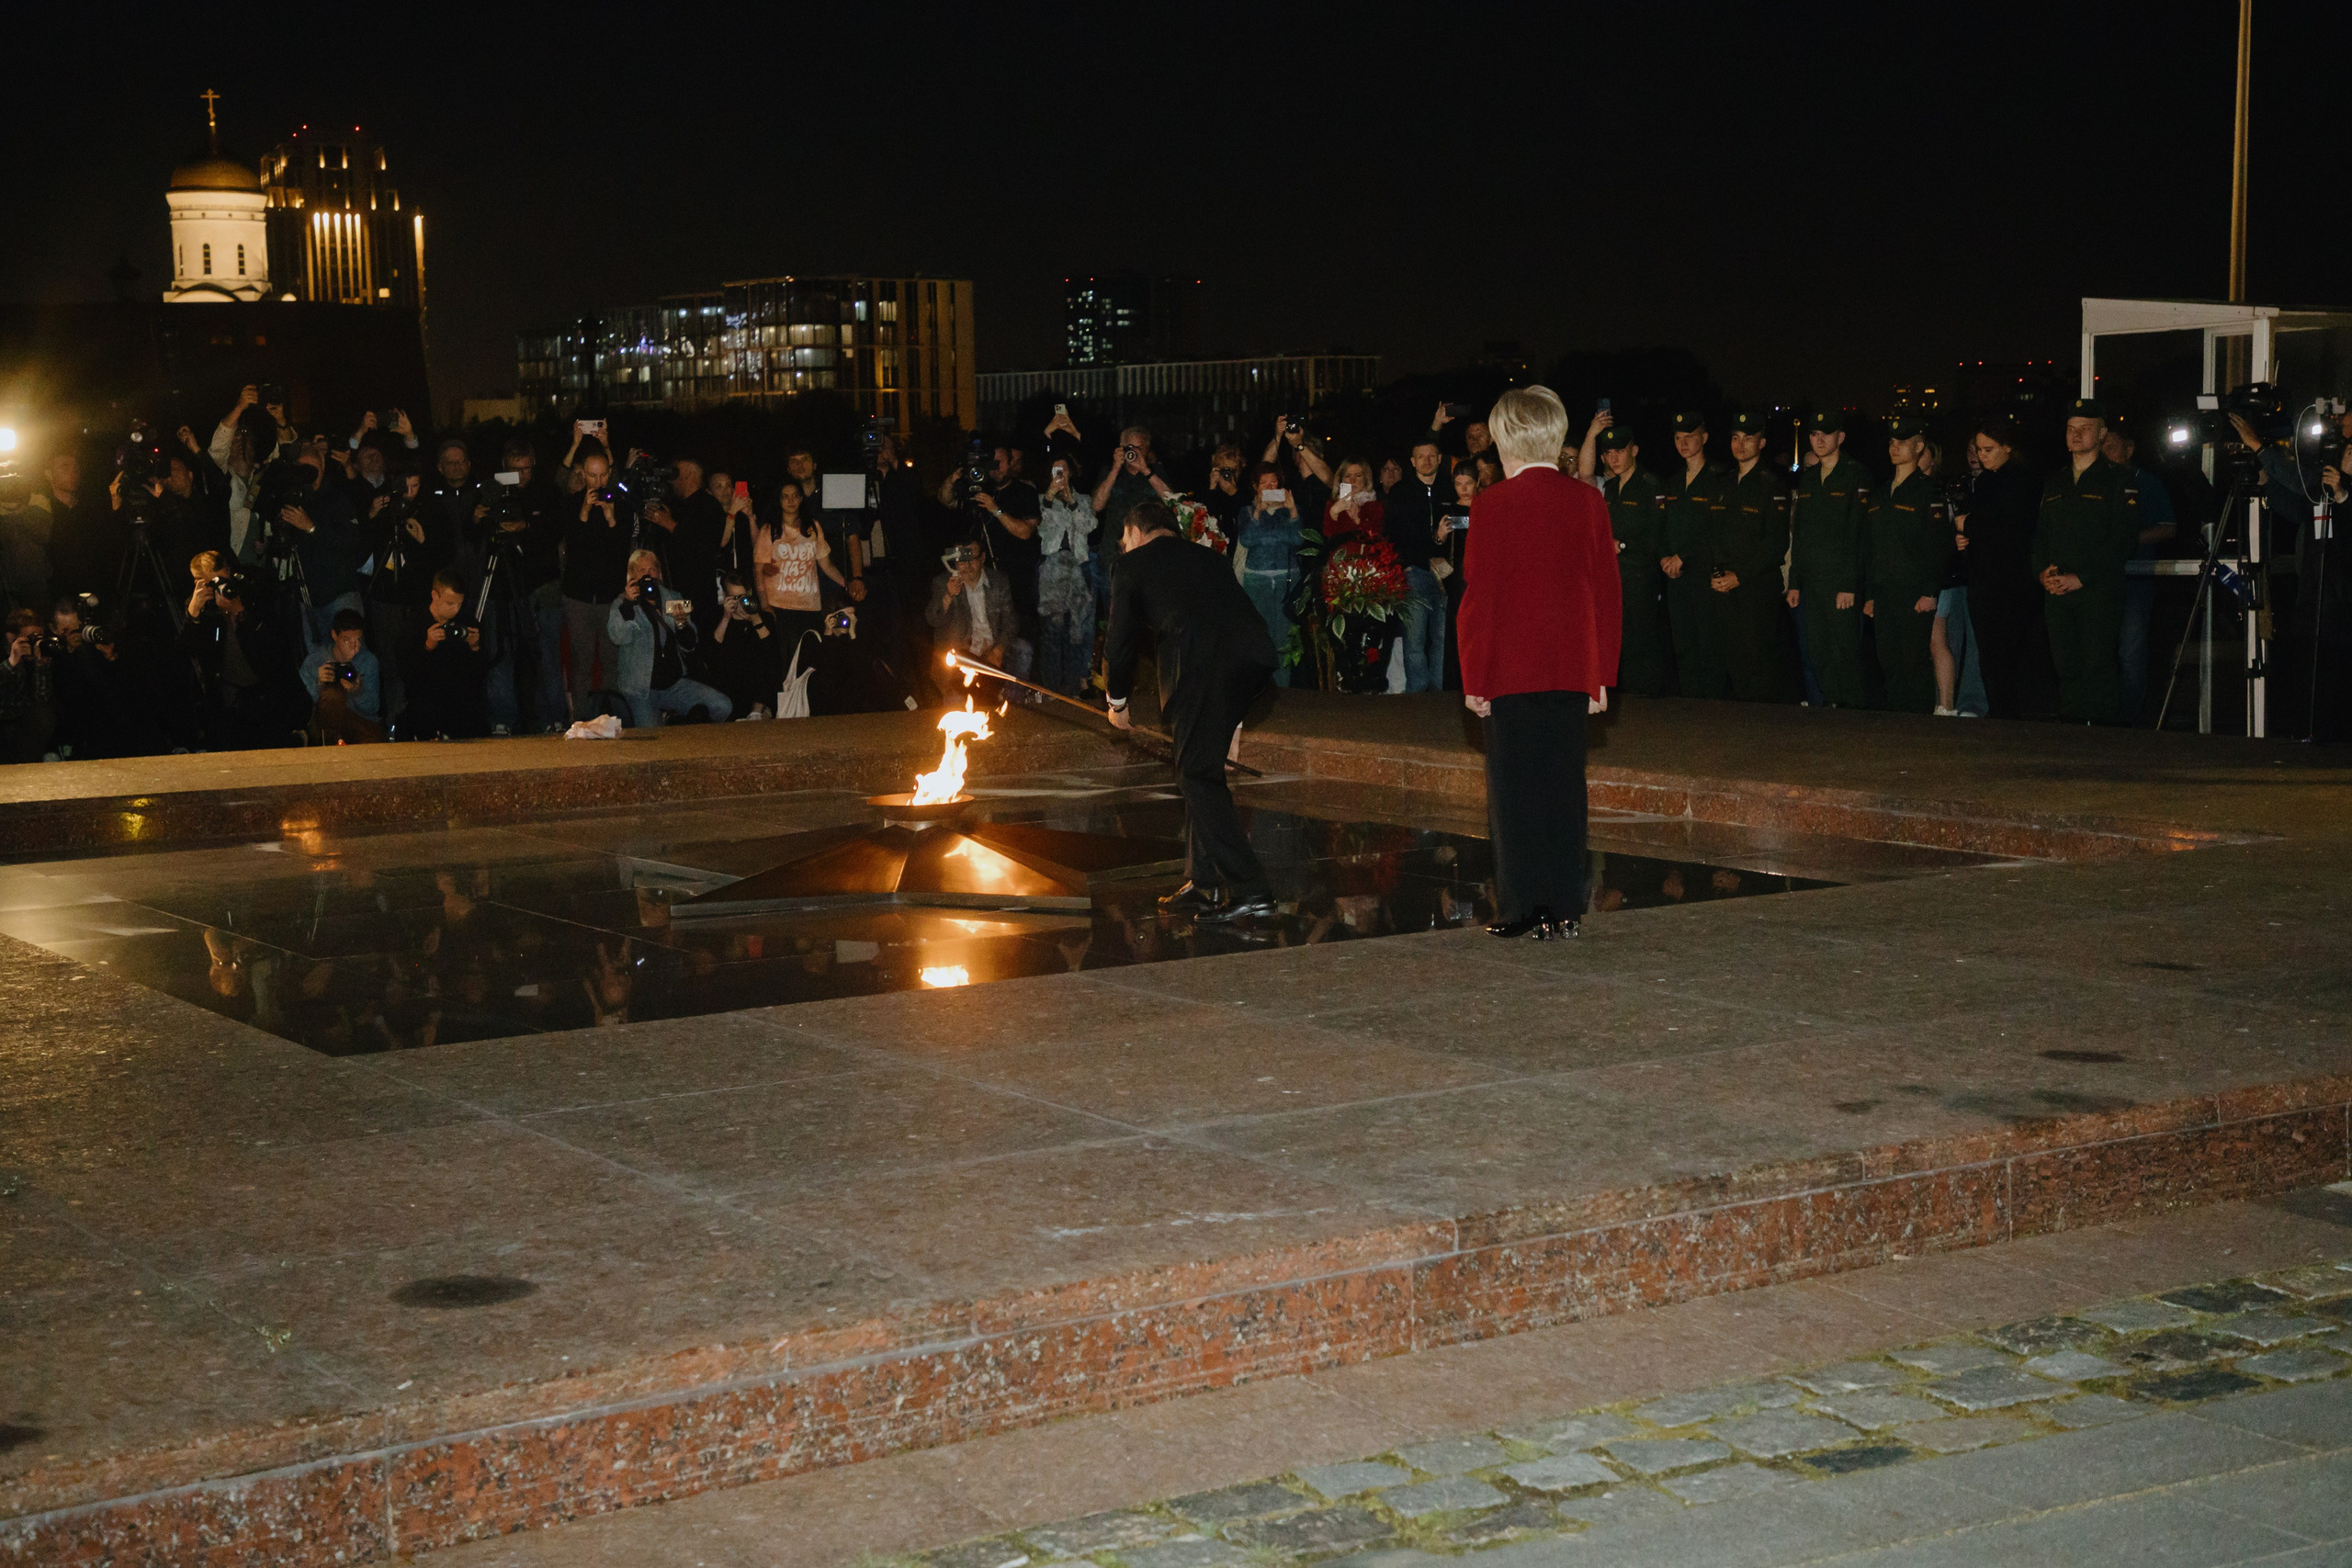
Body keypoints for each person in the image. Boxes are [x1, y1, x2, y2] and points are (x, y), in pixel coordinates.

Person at [1456, 386, 1620, 941]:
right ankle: (1565, 905)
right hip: (1572, 667)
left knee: (1514, 791)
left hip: (1510, 669)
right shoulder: (1588, 501)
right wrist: (1602, 675)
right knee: (1564, 787)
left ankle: (1523, 906)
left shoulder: (1491, 505)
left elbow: (1480, 597)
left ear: (1506, 441)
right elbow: (1606, 591)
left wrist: (1474, 677)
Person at [1103, 499, 1278, 922]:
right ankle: (1202, 881)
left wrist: (1117, 700)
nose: (1123, 546)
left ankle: (1251, 890)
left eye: (1124, 538)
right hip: (1254, 661)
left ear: (1136, 530)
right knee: (1202, 768)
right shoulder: (1207, 556)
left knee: (1196, 774)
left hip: (1204, 667)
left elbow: (1119, 642)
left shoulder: (1132, 565)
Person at [2034, 397, 2140, 725]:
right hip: (2057, 590)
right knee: (2066, 665)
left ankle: (2100, 737)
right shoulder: (2055, 481)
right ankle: (2072, 733)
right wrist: (2042, 572)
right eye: (2070, 429)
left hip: (2098, 591)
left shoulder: (2119, 480)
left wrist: (2083, 578)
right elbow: (2041, 534)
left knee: (2097, 666)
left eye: (2085, 429)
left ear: (2103, 433)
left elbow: (2123, 542)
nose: (2076, 435)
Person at [1863, 417, 1950, 714]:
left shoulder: (1928, 492)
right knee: (1889, 662)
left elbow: (1938, 547)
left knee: (1914, 664)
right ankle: (1897, 725)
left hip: (1914, 594)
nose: (1894, 447)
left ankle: (1918, 727)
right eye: (1891, 442)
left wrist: (1929, 591)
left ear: (1918, 447)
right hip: (1885, 593)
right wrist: (1870, 593)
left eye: (1902, 442)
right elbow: (1871, 548)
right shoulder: (1880, 493)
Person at [1788, 410, 1873, 707]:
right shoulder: (1809, 479)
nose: (1819, 439)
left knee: (1845, 654)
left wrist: (1850, 584)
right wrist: (1795, 582)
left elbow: (1859, 535)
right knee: (1818, 651)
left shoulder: (1855, 475)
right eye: (1814, 434)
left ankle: (1854, 716)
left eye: (1826, 433)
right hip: (1812, 583)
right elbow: (1800, 535)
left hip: (1841, 584)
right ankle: (1834, 712)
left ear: (1841, 437)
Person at [1958, 418, 2041, 719]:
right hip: (1983, 580)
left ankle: (2012, 716)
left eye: (1989, 449)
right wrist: (1965, 537)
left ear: (2007, 447)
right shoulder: (1985, 481)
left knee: (2008, 654)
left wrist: (1968, 524)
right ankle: (1999, 713)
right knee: (1990, 656)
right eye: (1978, 449)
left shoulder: (2021, 478)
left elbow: (2007, 525)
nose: (1982, 455)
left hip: (2011, 582)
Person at [1712, 411, 1795, 702]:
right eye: (1735, 438)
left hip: (1756, 587)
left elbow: (1775, 543)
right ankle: (1743, 729)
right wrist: (1718, 573)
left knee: (1760, 662)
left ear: (1761, 443)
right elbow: (1714, 534)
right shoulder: (1724, 482)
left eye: (1748, 438)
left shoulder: (1772, 484)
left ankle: (1765, 731)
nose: (1740, 444)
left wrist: (1740, 576)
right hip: (1725, 587)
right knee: (1735, 661)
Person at [181, 552, 296, 751]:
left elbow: (276, 645)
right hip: (229, 701)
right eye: (210, 582)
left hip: (264, 697)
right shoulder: (200, 607)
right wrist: (192, 616)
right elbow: (186, 652)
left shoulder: (251, 593)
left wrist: (239, 611)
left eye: (220, 578)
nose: (219, 586)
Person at [2102, 422, 2177, 724]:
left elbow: (2168, 528)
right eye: (2102, 445)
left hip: (2134, 580)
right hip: (2100, 580)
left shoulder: (2146, 483)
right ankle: (2102, 717)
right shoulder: (2093, 483)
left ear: (2129, 449)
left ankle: (2128, 720)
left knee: (2131, 653)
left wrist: (2132, 540)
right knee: (2102, 653)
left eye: (2111, 446)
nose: (2105, 452)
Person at [1589, 417, 1669, 697]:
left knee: (1642, 640)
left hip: (1640, 574)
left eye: (1620, 452)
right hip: (1614, 575)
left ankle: (1646, 698)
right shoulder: (1610, 489)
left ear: (1634, 451)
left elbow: (1656, 536)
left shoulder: (1650, 485)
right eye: (1609, 453)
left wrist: (1621, 546)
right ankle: (1624, 696)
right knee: (1617, 638)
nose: (1614, 458)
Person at [606, 549, 731, 728]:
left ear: (659, 573)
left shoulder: (673, 598)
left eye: (652, 569)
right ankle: (671, 722)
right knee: (652, 738)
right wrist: (629, 605)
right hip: (640, 689)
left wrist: (681, 625)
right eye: (642, 571)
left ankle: (679, 725)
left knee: (722, 706)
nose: (648, 574)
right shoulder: (622, 602)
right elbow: (617, 636)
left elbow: (690, 645)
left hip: (673, 685)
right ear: (632, 575)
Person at [1657, 411, 1732, 699]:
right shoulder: (1673, 482)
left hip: (1704, 572)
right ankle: (1690, 705)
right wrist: (1665, 557)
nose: (1683, 443)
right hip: (1676, 575)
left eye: (1690, 436)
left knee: (1708, 642)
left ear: (1705, 437)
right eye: (1678, 437)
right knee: (1683, 643)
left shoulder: (1719, 477)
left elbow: (1713, 528)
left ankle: (1712, 706)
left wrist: (1683, 555)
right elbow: (1663, 526)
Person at [560, 446, 630, 714]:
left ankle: (612, 716)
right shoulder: (571, 503)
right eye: (592, 476)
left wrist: (611, 518)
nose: (597, 482)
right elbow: (573, 544)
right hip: (578, 597)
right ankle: (581, 718)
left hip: (610, 596)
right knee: (582, 662)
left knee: (613, 660)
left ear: (609, 474)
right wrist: (585, 511)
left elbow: (622, 549)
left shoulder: (621, 505)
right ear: (583, 474)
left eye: (602, 476)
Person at [1383, 438, 1452, 693]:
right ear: (1412, 462)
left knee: (1442, 640)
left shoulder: (1450, 489)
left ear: (1440, 458)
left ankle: (1439, 697)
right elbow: (1396, 535)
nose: (1427, 461)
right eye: (1421, 456)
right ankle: (1417, 697)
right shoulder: (1401, 493)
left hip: (1446, 575)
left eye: (1432, 455)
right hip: (1415, 574)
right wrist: (1417, 561)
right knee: (1414, 641)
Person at [753, 480, 849, 651]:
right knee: (786, 655)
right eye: (785, 497)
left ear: (801, 499)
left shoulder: (813, 527)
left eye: (795, 496)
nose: (790, 501)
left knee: (810, 655)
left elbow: (826, 564)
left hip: (809, 604)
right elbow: (759, 569)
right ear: (779, 500)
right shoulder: (770, 529)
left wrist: (848, 584)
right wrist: (765, 605)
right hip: (780, 604)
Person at [1235, 463, 1304, 686]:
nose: (1269, 486)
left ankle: (1283, 688)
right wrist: (1258, 512)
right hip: (1257, 580)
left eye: (1274, 482)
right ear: (1255, 487)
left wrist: (1293, 512)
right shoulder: (1246, 511)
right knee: (1260, 636)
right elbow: (1247, 540)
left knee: (1284, 638)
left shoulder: (1288, 512)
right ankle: (1260, 687)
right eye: (1264, 483)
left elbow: (1298, 541)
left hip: (1286, 580)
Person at [1035, 456, 1099, 698]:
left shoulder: (1082, 499)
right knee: (1052, 629)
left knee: (1078, 627)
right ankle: (1051, 688)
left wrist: (1071, 501)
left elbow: (1089, 525)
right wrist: (1050, 497)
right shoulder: (1042, 499)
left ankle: (1074, 686)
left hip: (1079, 565)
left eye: (1064, 468)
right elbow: (1041, 527)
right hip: (1051, 567)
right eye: (1055, 468)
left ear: (1070, 472)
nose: (1060, 473)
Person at [401, 570, 490, 739]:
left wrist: (475, 647)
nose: (455, 609)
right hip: (428, 702)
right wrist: (427, 646)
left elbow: (482, 671)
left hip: (461, 703)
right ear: (435, 595)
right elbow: (406, 672)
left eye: (459, 603)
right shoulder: (414, 623)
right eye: (450, 603)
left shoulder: (468, 623)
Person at [927, 542, 1027, 677]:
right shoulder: (943, 582)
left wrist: (999, 649)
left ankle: (1013, 697)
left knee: (1023, 649)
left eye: (972, 558)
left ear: (982, 558)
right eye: (961, 560)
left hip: (992, 646)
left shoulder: (998, 581)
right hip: (962, 653)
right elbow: (933, 620)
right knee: (954, 690)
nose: (967, 565)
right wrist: (948, 596)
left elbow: (1011, 621)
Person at [701, 571, 781, 720]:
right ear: (725, 597)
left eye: (743, 596)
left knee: (765, 664)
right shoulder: (716, 618)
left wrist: (755, 619)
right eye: (735, 598)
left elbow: (772, 653)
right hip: (730, 685)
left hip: (758, 689)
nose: (740, 602)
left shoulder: (764, 618)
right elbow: (712, 654)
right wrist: (726, 618)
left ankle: (758, 711)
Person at [306, 606, 384, 744]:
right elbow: (300, 703)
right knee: (331, 695)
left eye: (358, 640)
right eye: (347, 640)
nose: (355, 646)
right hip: (326, 726)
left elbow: (373, 709)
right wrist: (318, 684)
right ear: (334, 635)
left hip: (359, 722)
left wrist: (357, 692)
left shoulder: (368, 661)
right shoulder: (316, 661)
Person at [0, 610, 55, 761]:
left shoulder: (39, 657)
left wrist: (41, 667)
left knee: (43, 716)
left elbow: (42, 699)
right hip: (4, 724)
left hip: (23, 728)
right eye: (30, 638)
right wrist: (11, 664)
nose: (35, 642)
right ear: (11, 637)